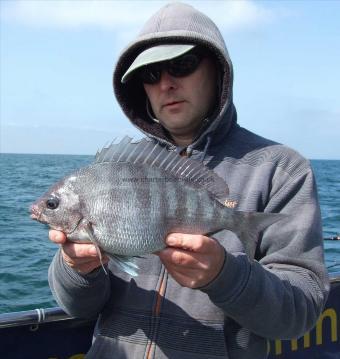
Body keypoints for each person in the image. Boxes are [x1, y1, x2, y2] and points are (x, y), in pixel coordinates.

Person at [48, 3, 329, 359]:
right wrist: (76, 270)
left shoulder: (281, 170)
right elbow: (79, 308)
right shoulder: (114, 170)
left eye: (182, 65)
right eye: (150, 74)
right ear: (141, 87)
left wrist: (225, 276)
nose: (166, 83)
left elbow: (299, 314)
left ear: (218, 71)